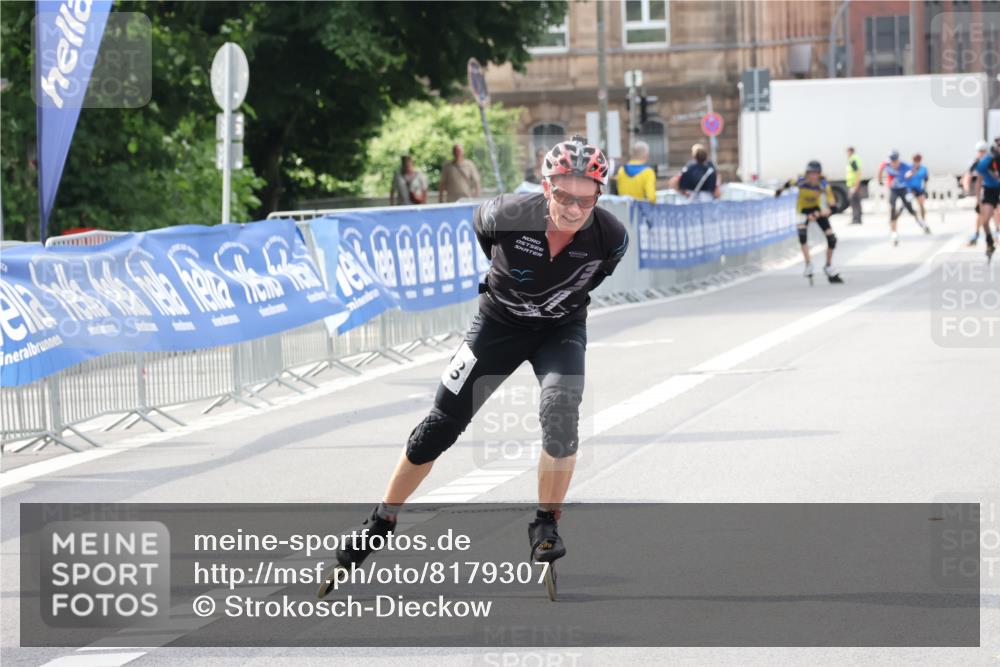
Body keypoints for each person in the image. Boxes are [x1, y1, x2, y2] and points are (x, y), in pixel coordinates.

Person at [320, 136, 628, 594]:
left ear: (599, 195)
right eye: (563, 194)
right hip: (497, 325)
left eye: (586, 197)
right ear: (546, 188)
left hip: (559, 329)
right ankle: (381, 519)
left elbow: (594, 278)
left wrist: (549, 306)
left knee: (561, 414)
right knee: (440, 425)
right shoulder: (504, 216)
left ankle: (546, 523)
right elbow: (485, 239)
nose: (573, 207)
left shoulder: (611, 236)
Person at [774, 160, 844, 284]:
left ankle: (828, 266)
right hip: (803, 210)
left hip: (815, 209)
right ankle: (808, 264)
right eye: (810, 173)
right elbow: (789, 183)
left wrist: (820, 213)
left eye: (815, 174)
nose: (813, 176)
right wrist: (779, 191)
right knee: (802, 234)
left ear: (819, 174)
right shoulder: (802, 181)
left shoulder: (823, 184)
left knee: (832, 238)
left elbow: (833, 206)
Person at [881, 150, 929, 245]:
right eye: (892, 161)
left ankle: (920, 221)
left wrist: (909, 175)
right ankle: (893, 232)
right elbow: (881, 169)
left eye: (895, 161)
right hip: (894, 189)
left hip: (904, 190)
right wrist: (880, 180)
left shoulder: (905, 166)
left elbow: (912, 174)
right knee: (893, 209)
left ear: (898, 160)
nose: (893, 163)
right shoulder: (887, 164)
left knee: (910, 209)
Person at [974, 138, 1000, 261]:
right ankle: (989, 243)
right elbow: (978, 182)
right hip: (990, 191)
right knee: (985, 220)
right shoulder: (987, 160)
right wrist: (978, 201)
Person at [961, 140, 989, 246]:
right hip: (982, 190)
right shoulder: (975, 162)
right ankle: (976, 235)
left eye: (983, 151)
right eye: (980, 151)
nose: (981, 153)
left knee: (997, 211)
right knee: (980, 212)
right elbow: (968, 174)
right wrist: (966, 184)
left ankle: (997, 233)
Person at [904, 153, 929, 222]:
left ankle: (923, 220)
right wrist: (911, 173)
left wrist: (925, 189)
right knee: (907, 204)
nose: (916, 162)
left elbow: (926, 179)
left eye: (918, 161)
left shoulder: (923, 169)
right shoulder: (909, 168)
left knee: (921, 204)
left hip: (919, 189)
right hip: (910, 189)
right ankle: (913, 214)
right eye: (915, 161)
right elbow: (905, 178)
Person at [845, 146, 863, 224]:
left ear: (851, 151)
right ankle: (857, 218)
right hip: (853, 184)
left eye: (847, 152)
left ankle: (856, 219)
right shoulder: (853, 159)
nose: (846, 154)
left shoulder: (853, 160)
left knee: (854, 202)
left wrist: (855, 186)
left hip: (853, 184)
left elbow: (858, 173)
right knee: (855, 201)